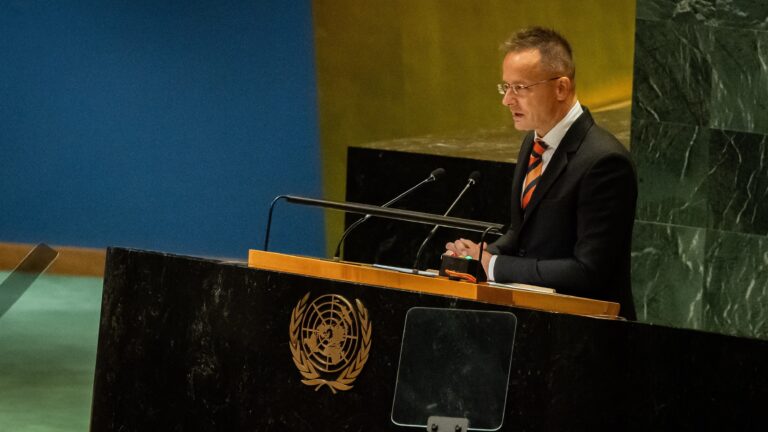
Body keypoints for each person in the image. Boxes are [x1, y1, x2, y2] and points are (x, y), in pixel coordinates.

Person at [445, 27, 637, 319]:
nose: (507, 100)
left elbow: (589, 271)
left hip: (586, 336)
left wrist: (493, 266)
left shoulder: (605, 162)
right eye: (505, 87)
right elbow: (522, 234)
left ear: (560, 87)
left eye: (520, 88)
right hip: (535, 323)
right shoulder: (533, 143)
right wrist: (482, 252)